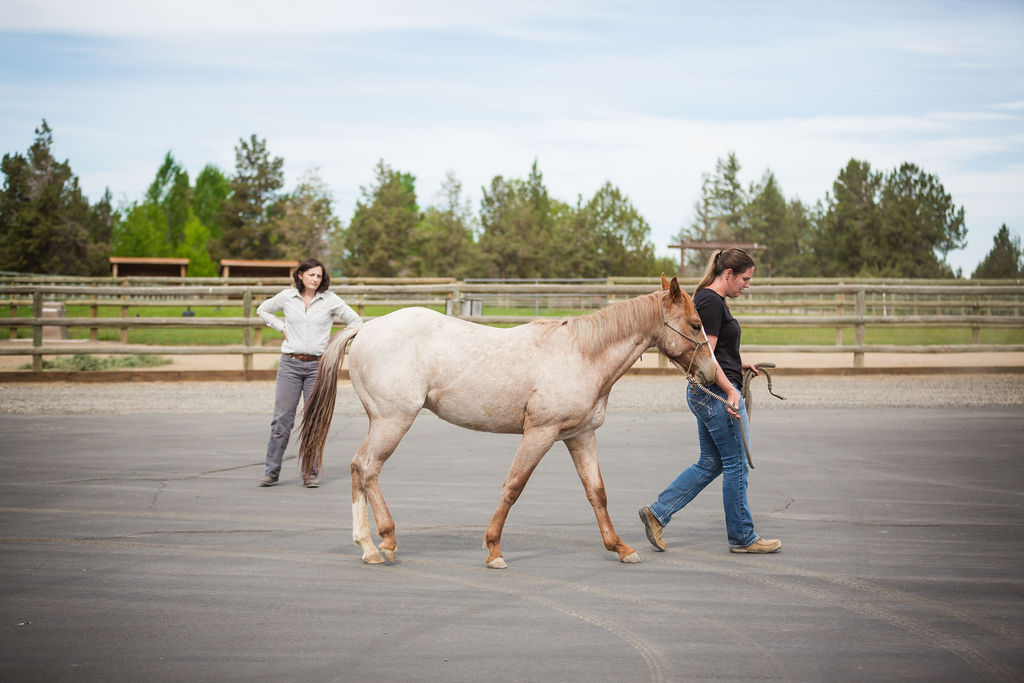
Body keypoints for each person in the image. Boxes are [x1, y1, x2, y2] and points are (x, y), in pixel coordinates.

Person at [639, 248, 781, 553]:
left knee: (711, 462)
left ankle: (657, 512)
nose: (747, 284)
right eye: (745, 278)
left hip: (711, 390)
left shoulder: (708, 299)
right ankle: (743, 537)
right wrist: (731, 390)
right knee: (736, 465)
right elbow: (707, 356)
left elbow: (713, 353)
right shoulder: (711, 302)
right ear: (728, 274)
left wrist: (738, 365)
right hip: (716, 394)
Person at [256, 258, 362, 488]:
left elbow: (356, 321)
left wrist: (337, 342)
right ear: (300, 275)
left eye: (319, 276)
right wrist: (280, 327)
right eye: (311, 275)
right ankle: (271, 472)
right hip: (290, 365)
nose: (315, 279)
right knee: (282, 419)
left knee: (314, 419)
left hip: (317, 367)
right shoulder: (287, 296)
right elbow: (262, 309)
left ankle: (310, 473)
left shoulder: (330, 300)